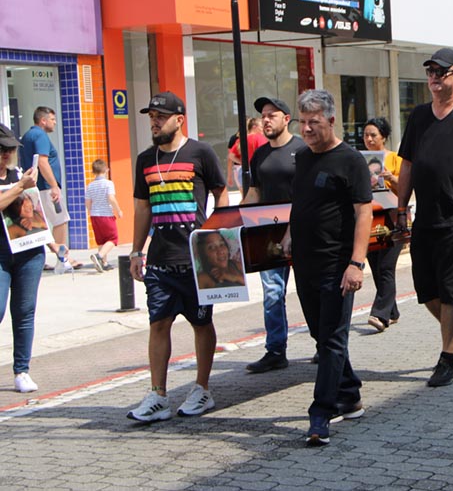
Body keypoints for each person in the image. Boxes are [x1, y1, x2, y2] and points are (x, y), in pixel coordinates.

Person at [126, 92, 228, 423]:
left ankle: (202, 389)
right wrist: (136, 251)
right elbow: (142, 207)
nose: (154, 121)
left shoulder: (200, 152)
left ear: (179, 120)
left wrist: (218, 234)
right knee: (158, 323)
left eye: (160, 116)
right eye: (151, 116)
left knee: (201, 322)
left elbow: (220, 192)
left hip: (197, 257)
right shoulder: (145, 159)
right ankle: (158, 395)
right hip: (159, 259)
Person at [285, 90, 372, 447]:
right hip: (304, 264)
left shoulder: (350, 160)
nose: (306, 129)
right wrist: (290, 232)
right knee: (323, 336)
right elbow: (300, 201)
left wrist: (356, 263)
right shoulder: (302, 157)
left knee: (333, 339)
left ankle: (321, 414)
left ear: (331, 121)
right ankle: (349, 394)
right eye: (302, 122)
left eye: (313, 123)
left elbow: (363, 212)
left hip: (337, 266)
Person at [396, 47, 453, 388]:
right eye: (430, 71)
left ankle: (447, 356)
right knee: (426, 289)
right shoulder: (419, 116)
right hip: (425, 219)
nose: (433, 77)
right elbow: (407, 164)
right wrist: (401, 207)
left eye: (441, 71)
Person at [241, 96, 306, 374]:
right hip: (268, 233)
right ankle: (276, 350)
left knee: (310, 291)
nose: (265, 120)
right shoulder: (260, 155)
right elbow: (254, 192)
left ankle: (323, 343)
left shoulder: (303, 150)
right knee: (272, 292)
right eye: (263, 116)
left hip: (303, 230)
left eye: (272, 115)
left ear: (286, 119)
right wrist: (235, 221)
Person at [0, 124, 43, 393]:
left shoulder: (18, 174)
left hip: (28, 250)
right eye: (2, 150)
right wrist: (20, 187)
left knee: (24, 312)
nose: (7, 154)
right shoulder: (18, 180)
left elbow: (33, 211)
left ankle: (22, 371)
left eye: (11, 149)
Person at [19, 106, 82, 271]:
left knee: (39, 224)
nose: (54, 123)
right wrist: (54, 186)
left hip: (32, 187)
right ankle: (63, 258)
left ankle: (37, 261)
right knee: (61, 220)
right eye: (52, 119)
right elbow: (42, 161)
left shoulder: (27, 136)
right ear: (43, 120)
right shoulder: (40, 135)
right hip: (46, 188)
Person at [362, 117, 404, 332]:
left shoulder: (396, 159)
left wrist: (391, 178)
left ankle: (380, 314)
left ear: (384, 138)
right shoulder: (360, 161)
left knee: (386, 267)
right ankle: (392, 311)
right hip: (369, 220)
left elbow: (406, 189)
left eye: (373, 135)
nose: (369, 139)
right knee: (377, 268)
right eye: (366, 135)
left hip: (393, 220)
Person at [85, 159, 123, 272]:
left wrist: (91, 211)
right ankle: (99, 256)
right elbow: (111, 198)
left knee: (101, 240)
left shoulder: (90, 185)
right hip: (106, 214)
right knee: (113, 238)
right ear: (106, 170)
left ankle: (103, 263)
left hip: (94, 215)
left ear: (93, 172)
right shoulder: (108, 183)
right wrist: (119, 210)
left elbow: (88, 201)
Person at [227, 117, 268, 190]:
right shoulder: (259, 138)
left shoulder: (241, 139)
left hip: (243, 172)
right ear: (254, 127)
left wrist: (243, 162)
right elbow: (265, 154)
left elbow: (231, 156)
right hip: (256, 172)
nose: (263, 129)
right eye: (261, 127)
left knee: (246, 198)